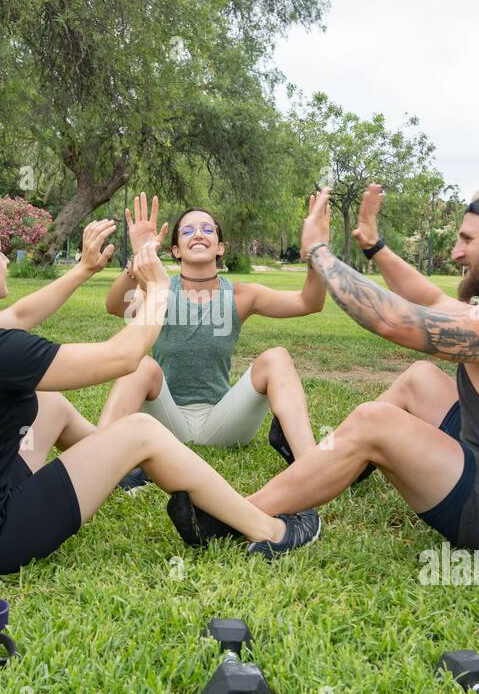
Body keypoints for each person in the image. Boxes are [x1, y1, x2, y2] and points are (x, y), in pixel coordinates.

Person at [0, 196, 322, 576]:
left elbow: (19, 316)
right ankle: (272, 530)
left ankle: (116, 468)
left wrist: (83, 269)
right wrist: (158, 289)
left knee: (49, 404)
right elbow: (124, 357)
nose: (6, 259)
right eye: (0, 251)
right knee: (141, 432)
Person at [177, 183, 479, 559]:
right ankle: (342, 464)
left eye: (466, 240)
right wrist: (375, 247)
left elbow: (396, 321)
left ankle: (232, 514)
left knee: (374, 422)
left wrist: (319, 253)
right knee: (419, 380)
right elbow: (432, 302)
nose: (456, 252)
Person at [101, 194, 326, 491]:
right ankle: (98, 458)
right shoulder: (160, 291)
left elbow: (309, 302)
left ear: (220, 247)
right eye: (188, 230)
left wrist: (318, 253)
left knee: (277, 357)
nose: (198, 234)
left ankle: (311, 465)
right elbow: (117, 305)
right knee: (142, 364)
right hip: (166, 424)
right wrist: (138, 259)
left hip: (222, 423)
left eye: (208, 230)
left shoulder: (241, 297)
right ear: (175, 250)